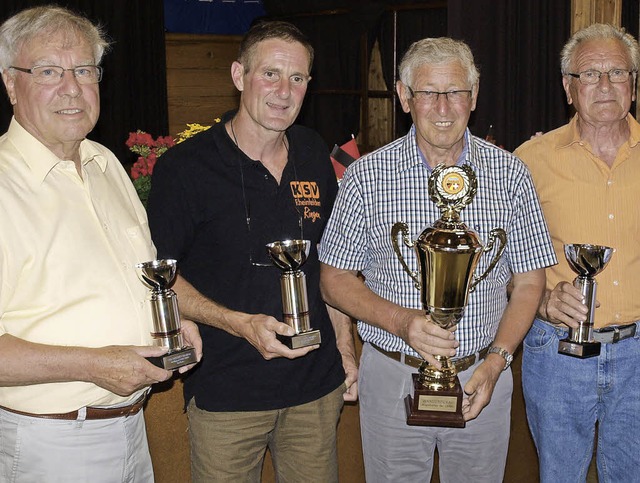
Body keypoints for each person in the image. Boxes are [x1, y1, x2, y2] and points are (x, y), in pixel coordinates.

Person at [319, 37, 557, 482]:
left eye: (456, 92)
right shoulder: (366, 176)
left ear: (475, 96)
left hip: (481, 375)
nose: (443, 107)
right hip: (391, 373)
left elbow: (529, 283)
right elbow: (334, 279)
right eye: (428, 93)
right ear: (404, 97)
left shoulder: (510, 174)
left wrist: (497, 361)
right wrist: (402, 322)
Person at [146, 20, 357, 482]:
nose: (284, 91)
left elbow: (329, 261)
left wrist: (343, 345)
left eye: (298, 78)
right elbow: (163, 278)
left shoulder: (312, 149)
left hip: (314, 388)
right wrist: (239, 324)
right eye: (271, 74)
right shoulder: (186, 167)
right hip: (228, 391)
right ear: (239, 75)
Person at [0, 6, 202, 482]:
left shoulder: (106, 164)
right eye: (49, 71)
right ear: (11, 83)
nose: (71, 88)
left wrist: (177, 320)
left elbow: (140, 276)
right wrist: (92, 365)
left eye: (84, 70)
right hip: (50, 446)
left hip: (131, 431)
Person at [514, 23, 640, 483]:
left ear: (633, 83)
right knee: (558, 476)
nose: (605, 85)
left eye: (617, 72)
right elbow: (504, 261)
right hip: (555, 353)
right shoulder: (529, 160)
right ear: (569, 88)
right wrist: (544, 299)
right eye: (590, 75)